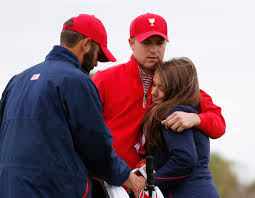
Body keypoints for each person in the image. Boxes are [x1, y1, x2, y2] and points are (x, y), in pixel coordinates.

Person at [0, 14, 143, 198]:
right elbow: (96, 145)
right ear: (86, 44)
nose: (96, 63)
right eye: (98, 54)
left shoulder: (17, 80)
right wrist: (125, 176)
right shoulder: (77, 81)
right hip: (53, 189)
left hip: (9, 187)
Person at [92, 13, 226, 170]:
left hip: (151, 184)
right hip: (107, 178)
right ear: (131, 43)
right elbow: (85, 130)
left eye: (160, 42)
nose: (154, 50)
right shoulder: (104, 79)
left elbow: (219, 125)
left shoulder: (179, 84)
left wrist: (196, 118)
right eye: (146, 42)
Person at [141, 57, 220, 198]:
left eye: (162, 87)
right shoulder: (190, 109)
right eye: (154, 84)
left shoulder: (176, 113)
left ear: (176, 89)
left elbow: (185, 159)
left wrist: (150, 184)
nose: (154, 92)